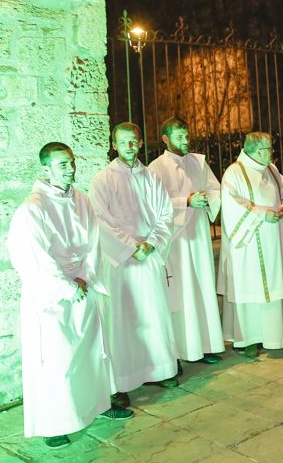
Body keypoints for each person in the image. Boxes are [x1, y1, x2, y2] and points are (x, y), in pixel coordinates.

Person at [7, 142, 132, 449]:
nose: (70, 168)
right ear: (45, 168)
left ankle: (98, 405)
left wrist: (86, 276)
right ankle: (55, 423)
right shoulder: (32, 209)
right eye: (62, 164)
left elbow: (93, 241)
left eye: (72, 162)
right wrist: (66, 286)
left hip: (83, 284)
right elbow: (32, 255)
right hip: (53, 296)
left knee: (92, 353)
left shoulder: (82, 199)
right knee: (57, 360)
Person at [89, 123, 178, 409]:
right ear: (114, 145)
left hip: (148, 256)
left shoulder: (151, 177)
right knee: (123, 320)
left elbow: (166, 213)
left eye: (133, 141)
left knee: (153, 314)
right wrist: (130, 246)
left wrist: (151, 243)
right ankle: (122, 382)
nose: (129, 146)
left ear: (140, 142)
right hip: (121, 264)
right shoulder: (103, 179)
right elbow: (100, 220)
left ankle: (158, 369)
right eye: (123, 142)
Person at [149, 118, 225, 365]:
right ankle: (185, 348)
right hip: (177, 239)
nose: (185, 140)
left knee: (202, 284)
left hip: (199, 233)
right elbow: (153, 204)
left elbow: (215, 189)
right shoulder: (156, 168)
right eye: (179, 137)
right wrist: (185, 202)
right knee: (182, 290)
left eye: (186, 135)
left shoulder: (198, 161)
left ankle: (207, 344)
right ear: (165, 139)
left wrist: (207, 199)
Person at [219, 132, 283, 357]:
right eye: (268, 149)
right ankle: (250, 340)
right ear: (256, 151)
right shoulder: (234, 173)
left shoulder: (272, 170)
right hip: (249, 243)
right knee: (252, 288)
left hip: (274, 239)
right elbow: (231, 205)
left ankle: (282, 334)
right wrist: (262, 215)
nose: (271, 153)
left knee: (277, 284)